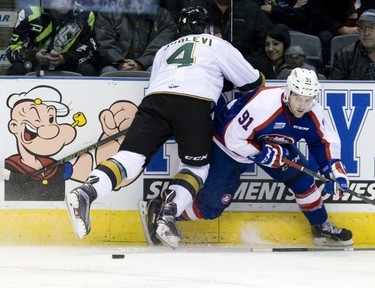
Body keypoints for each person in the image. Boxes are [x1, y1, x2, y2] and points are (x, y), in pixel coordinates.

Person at [65, 6, 265, 248]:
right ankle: (167, 214)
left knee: (130, 157)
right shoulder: (217, 43)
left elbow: (162, 82)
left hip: (155, 100)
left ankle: (87, 191)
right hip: (195, 103)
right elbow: (253, 82)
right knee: (195, 167)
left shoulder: (165, 49)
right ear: (209, 27)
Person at [143, 68, 353, 248]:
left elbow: (323, 143)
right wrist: (264, 154)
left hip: (270, 144)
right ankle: (162, 212)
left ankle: (320, 226)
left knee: (304, 180)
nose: (302, 105)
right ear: (288, 92)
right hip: (229, 146)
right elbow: (231, 136)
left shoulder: (313, 112)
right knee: (211, 207)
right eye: (298, 97)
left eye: (308, 99)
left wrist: (335, 172)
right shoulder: (264, 104)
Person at [5, 0, 99, 76]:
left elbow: (91, 52)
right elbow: (12, 50)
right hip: (34, 65)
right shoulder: (29, 13)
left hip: (68, 65)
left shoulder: (85, 15)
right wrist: (34, 56)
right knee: (17, 69)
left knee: (88, 70)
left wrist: (64, 59)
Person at [95, 0, 177, 74]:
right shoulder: (109, 11)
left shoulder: (163, 16)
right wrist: (120, 62)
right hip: (115, 65)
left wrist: (141, 63)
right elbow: (104, 42)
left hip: (148, 65)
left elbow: (162, 47)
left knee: (155, 72)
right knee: (109, 72)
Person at [330, 9, 375, 80]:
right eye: (362, 28)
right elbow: (335, 87)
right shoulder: (344, 56)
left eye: (372, 28)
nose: (366, 33)